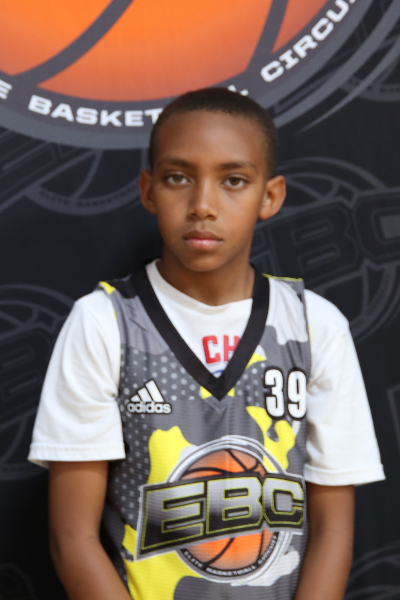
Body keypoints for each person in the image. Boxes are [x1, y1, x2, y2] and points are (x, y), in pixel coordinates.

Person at [29, 87, 384, 600]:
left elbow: (332, 530)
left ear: (270, 196)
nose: (202, 206)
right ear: (149, 190)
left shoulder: (314, 325)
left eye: (233, 180)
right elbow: (72, 539)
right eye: (178, 177)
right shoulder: (104, 323)